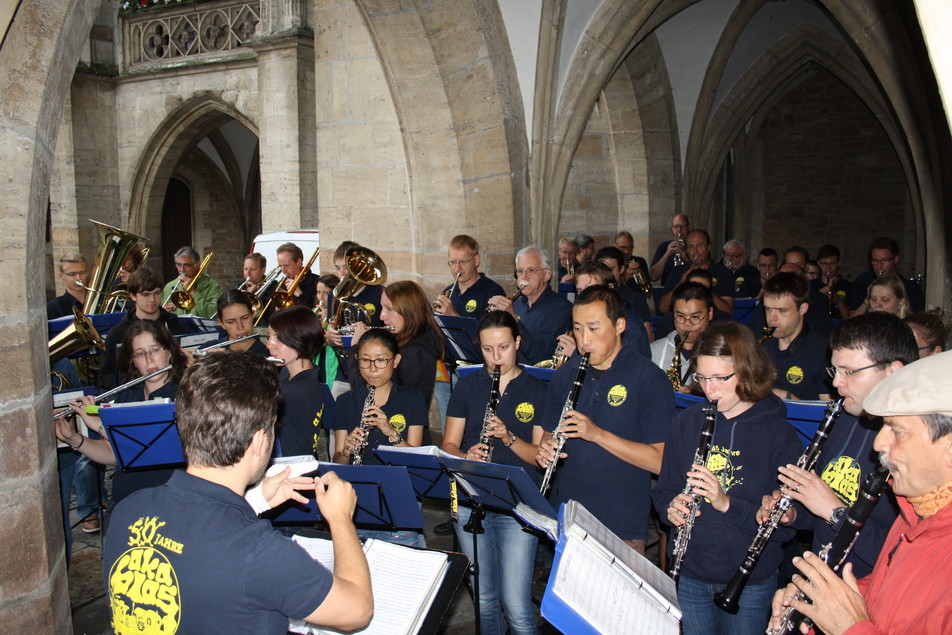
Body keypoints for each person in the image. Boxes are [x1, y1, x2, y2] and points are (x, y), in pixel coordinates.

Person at [102, 352, 373, 633]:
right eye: (272, 428)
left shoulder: (128, 508)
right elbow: (357, 610)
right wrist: (340, 518)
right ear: (258, 440)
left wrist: (252, 501)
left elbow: (198, 547)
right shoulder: (261, 552)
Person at [767, 350, 952, 635]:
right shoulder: (915, 508)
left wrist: (850, 628)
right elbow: (888, 594)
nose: (878, 443)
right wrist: (826, 599)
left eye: (897, 430)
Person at [652, 321, 802, 634]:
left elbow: (787, 527)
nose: (709, 390)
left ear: (747, 371)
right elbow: (663, 490)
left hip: (750, 580)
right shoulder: (685, 424)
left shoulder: (778, 434)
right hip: (692, 574)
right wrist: (671, 508)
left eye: (721, 378)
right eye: (703, 378)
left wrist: (725, 503)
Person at [759, 312, 916, 580]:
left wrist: (835, 512)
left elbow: (903, 555)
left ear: (893, 372)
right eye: (836, 370)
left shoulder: (918, 450)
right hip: (824, 580)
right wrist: (795, 513)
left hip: (870, 594)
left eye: (849, 372)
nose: (835, 382)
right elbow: (821, 516)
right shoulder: (845, 419)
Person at [537, 286, 673, 552]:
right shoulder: (566, 375)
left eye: (594, 328)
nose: (584, 339)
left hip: (622, 524)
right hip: (570, 516)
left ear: (619, 325)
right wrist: (545, 448)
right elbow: (546, 434)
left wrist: (597, 434)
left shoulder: (650, 378)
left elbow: (660, 461)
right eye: (577, 329)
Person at [442, 311, 548, 635]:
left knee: (516, 606)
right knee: (484, 600)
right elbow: (447, 443)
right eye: (488, 349)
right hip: (470, 499)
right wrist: (465, 455)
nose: (495, 357)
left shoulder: (537, 389)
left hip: (517, 504)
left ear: (517, 342)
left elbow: (540, 458)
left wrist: (508, 437)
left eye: (503, 347)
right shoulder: (468, 385)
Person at [56, 320, 190, 510]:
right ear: (133, 360)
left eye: (155, 350)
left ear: (169, 352)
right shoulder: (127, 396)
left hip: (169, 502)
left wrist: (99, 425)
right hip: (126, 500)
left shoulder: (186, 397)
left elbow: (149, 449)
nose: (149, 360)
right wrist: (75, 439)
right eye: (140, 354)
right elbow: (113, 455)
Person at [333, 329, 427, 546]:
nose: (373, 369)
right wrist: (346, 451)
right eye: (365, 361)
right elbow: (338, 461)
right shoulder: (345, 402)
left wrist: (391, 432)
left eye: (381, 361)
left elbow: (416, 459)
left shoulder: (413, 399)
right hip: (357, 502)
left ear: (396, 361)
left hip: (398, 501)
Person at [350, 280, 444, 411]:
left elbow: (369, 391)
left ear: (409, 311)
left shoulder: (413, 354)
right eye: (382, 308)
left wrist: (356, 347)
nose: (382, 316)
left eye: (389, 309)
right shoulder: (409, 338)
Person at [98, 267, 187, 389]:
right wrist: (133, 387)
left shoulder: (175, 325)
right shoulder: (118, 332)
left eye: (157, 293)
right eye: (145, 295)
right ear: (133, 296)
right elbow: (105, 375)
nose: (152, 300)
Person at [489, 246, 572, 365]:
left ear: (547, 275)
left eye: (531, 270)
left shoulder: (561, 308)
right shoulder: (517, 305)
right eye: (520, 271)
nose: (524, 277)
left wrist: (513, 319)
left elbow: (541, 356)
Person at [266, 306, 328, 460]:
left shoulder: (297, 393)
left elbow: (253, 421)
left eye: (278, 338)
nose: (269, 345)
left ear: (299, 340)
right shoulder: (293, 373)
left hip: (293, 471)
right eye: (269, 337)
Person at [760, 271, 832, 401]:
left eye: (782, 311)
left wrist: (785, 396)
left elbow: (827, 410)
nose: (772, 319)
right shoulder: (760, 346)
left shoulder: (823, 351)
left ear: (803, 309)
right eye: (768, 309)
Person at [650, 282, 714, 389]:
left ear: (710, 313)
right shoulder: (653, 351)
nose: (687, 324)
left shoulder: (725, 352)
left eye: (695, 317)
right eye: (680, 316)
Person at [658, 229, 735, 315]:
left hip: (713, 325)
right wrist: (680, 284)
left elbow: (728, 312)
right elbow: (663, 308)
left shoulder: (723, 272)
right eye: (691, 247)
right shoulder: (678, 271)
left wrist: (705, 288)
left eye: (700, 245)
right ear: (686, 250)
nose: (695, 252)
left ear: (708, 247)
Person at [433, 234, 505, 317]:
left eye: (463, 262)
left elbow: (491, 330)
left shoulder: (493, 293)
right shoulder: (447, 292)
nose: (457, 268)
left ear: (476, 260)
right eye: (453, 262)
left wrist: (452, 315)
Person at [849, 236, 925, 313]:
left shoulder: (911, 288)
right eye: (875, 261)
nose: (879, 266)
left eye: (885, 261)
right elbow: (851, 322)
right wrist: (867, 300)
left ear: (896, 259)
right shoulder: (863, 286)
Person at [161, 246, 222, 318]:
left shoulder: (212, 286)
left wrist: (194, 292)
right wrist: (165, 312)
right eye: (178, 265)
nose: (182, 269)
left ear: (198, 265)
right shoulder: (170, 286)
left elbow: (213, 314)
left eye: (186, 265)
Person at [212, 290, 269, 355]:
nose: (240, 327)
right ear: (221, 323)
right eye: (231, 322)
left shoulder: (268, 352)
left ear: (253, 314)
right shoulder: (211, 348)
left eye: (245, 318)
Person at [274, 242, 319, 309]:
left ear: (298, 262)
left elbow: (314, 314)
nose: (283, 270)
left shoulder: (316, 282)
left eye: (286, 265)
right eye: (280, 266)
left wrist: (299, 295)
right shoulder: (281, 285)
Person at [47, 251, 89, 319]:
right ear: (61, 276)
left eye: (82, 272)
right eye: (72, 274)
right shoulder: (52, 308)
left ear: (87, 273)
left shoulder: (99, 302)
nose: (78, 278)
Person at [650, 213, 690, 282]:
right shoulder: (663, 246)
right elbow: (653, 277)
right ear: (672, 229)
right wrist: (667, 255)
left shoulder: (693, 246)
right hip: (667, 290)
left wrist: (687, 259)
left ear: (688, 228)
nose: (679, 230)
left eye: (683, 226)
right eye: (676, 226)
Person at [815, 244, 852, 319]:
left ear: (839, 263)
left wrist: (839, 301)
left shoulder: (849, 287)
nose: (828, 268)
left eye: (832, 263)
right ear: (819, 263)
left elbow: (850, 318)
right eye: (824, 264)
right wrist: (818, 296)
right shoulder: (811, 285)